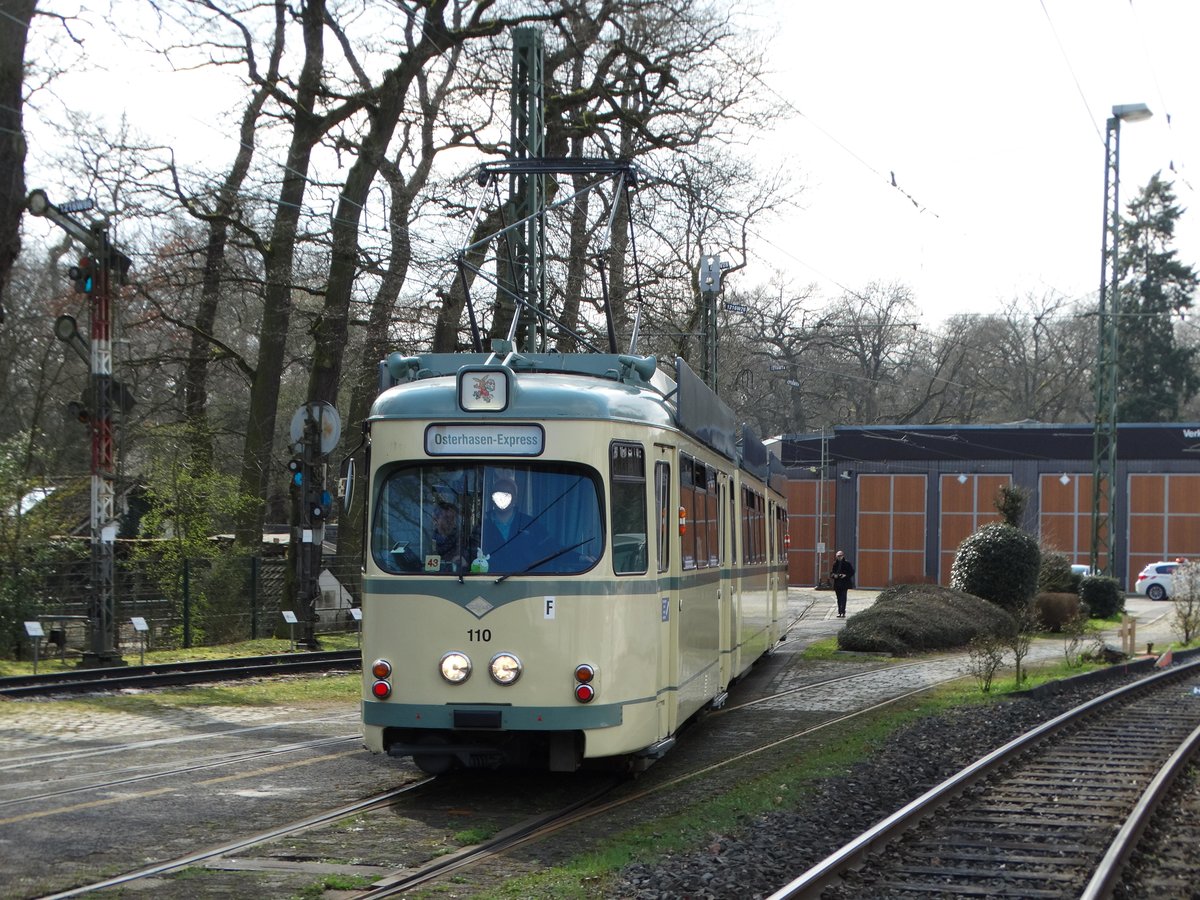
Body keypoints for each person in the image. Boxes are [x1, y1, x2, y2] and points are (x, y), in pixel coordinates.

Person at [478, 477, 545, 572]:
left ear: (515, 499)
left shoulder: (530, 524)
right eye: (498, 494)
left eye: (507, 495)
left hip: (526, 578)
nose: (502, 499)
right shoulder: (482, 528)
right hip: (490, 579)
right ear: (492, 498)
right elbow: (472, 553)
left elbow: (547, 548)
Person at [429, 501, 467, 571]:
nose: (450, 521)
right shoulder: (428, 539)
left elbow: (466, 564)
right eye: (446, 518)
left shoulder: (460, 539)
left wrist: (464, 563)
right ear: (436, 519)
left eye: (453, 518)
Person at [830, 549, 855, 618]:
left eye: (840, 556)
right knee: (838, 598)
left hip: (844, 583)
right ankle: (839, 612)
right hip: (837, 583)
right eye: (838, 556)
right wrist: (834, 575)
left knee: (843, 598)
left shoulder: (847, 563)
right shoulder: (835, 564)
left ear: (843, 556)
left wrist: (845, 575)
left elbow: (852, 572)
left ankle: (843, 612)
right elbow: (831, 573)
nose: (839, 557)